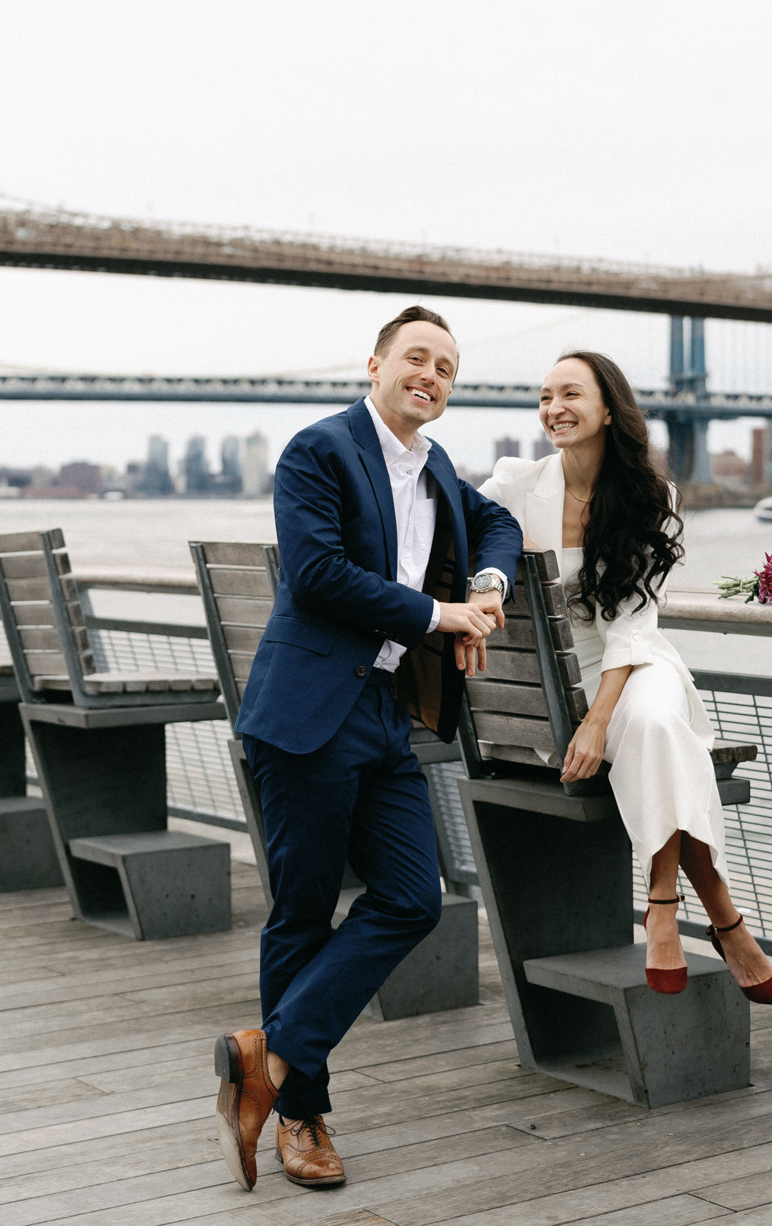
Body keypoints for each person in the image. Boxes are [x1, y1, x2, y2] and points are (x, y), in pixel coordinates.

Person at [214, 304, 523, 1193]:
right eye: (416, 358)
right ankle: (301, 1113)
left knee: (409, 896)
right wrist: (439, 613)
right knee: (304, 914)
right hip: (310, 713)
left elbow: (494, 520)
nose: (431, 375)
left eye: (448, 368)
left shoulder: (436, 467)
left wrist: (489, 585)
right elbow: (315, 573)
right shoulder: (319, 450)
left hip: (386, 713)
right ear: (378, 363)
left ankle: (265, 1054)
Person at [480, 350, 772, 1004]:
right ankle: (726, 920)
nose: (553, 408)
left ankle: (661, 907)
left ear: (608, 410)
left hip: (634, 661)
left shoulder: (652, 495)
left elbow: (631, 626)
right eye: (544, 396)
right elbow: (456, 536)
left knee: (651, 720)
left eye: (570, 394)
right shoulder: (515, 481)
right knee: (665, 740)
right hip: (552, 680)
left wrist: (597, 722)